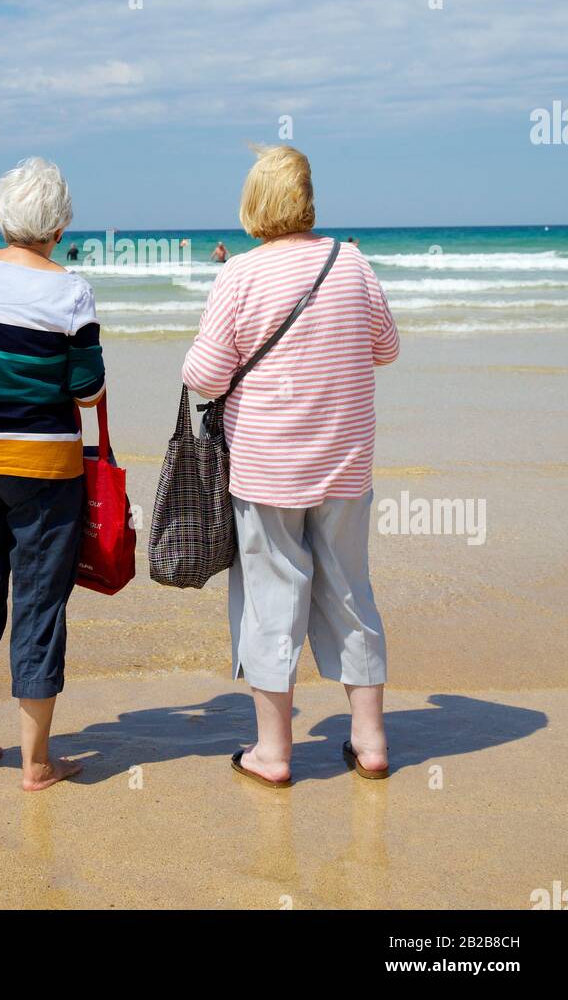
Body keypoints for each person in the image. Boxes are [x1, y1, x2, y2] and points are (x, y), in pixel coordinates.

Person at [182, 145, 399, 787]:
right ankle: (371, 741)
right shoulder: (352, 263)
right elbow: (385, 347)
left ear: (254, 203)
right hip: (345, 462)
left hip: (269, 468)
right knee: (351, 591)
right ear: (308, 200)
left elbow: (205, 375)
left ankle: (274, 754)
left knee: (273, 598)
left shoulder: (239, 276)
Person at [0, 157, 105, 789]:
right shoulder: (70, 290)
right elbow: (86, 388)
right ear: (58, 226)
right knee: (39, 601)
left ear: (3, 216)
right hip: (43, 466)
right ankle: (37, 764)